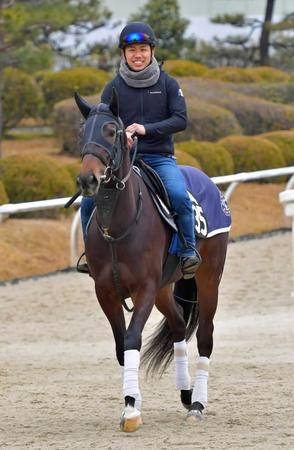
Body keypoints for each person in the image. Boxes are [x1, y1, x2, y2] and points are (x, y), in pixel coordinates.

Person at [80, 21, 202, 279]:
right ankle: (89, 254)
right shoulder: (112, 87)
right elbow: (104, 125)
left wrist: (147, 129)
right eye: (132, 49)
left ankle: (188, 250)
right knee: (88, 202)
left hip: (159, 158)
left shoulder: (168, 84)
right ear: (123, 53)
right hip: (121, 162)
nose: (138, 55)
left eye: (143, 49)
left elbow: (181, 120)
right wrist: (119, 140)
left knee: (179, 195)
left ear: (152, 51)